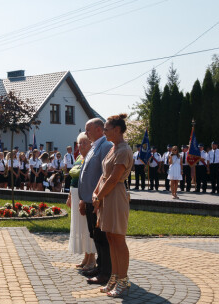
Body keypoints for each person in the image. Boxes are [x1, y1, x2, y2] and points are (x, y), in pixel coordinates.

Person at [92, 113, 133, 297]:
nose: (105, 132)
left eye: (107, 129)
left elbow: (114, 178)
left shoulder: (123, 150)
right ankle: (115, 277)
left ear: (117, 130)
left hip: (114, 196)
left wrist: (99, 196)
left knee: (118, 239)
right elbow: (104, 175)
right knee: (109, 236)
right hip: (106, 196)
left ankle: (123, 281)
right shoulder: (113, 148)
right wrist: (96, 192)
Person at [78, 118, 113, 285]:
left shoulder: (105, 146)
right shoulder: (94, 147)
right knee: (95, 235)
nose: (86, 133)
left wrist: (97, 196)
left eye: (88, 129)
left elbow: (105, 175)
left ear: (99, 129)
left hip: (98, 200)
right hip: (90, 199)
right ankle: (100, 267)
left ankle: (106, 272)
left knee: (101, 237)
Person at [67, 132, 96, 270]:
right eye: (80, 143)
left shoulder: (92, 158)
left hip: (85, 197)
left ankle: (92, 258)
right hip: (75, 195)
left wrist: (84, 199)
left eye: (85, 142)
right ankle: (86, 256)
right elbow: (73, 179)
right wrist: (69, 196)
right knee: (81, 228)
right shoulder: (79, 157)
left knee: (88, 227)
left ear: (91, 144)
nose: (82, 145)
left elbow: (90, 181)